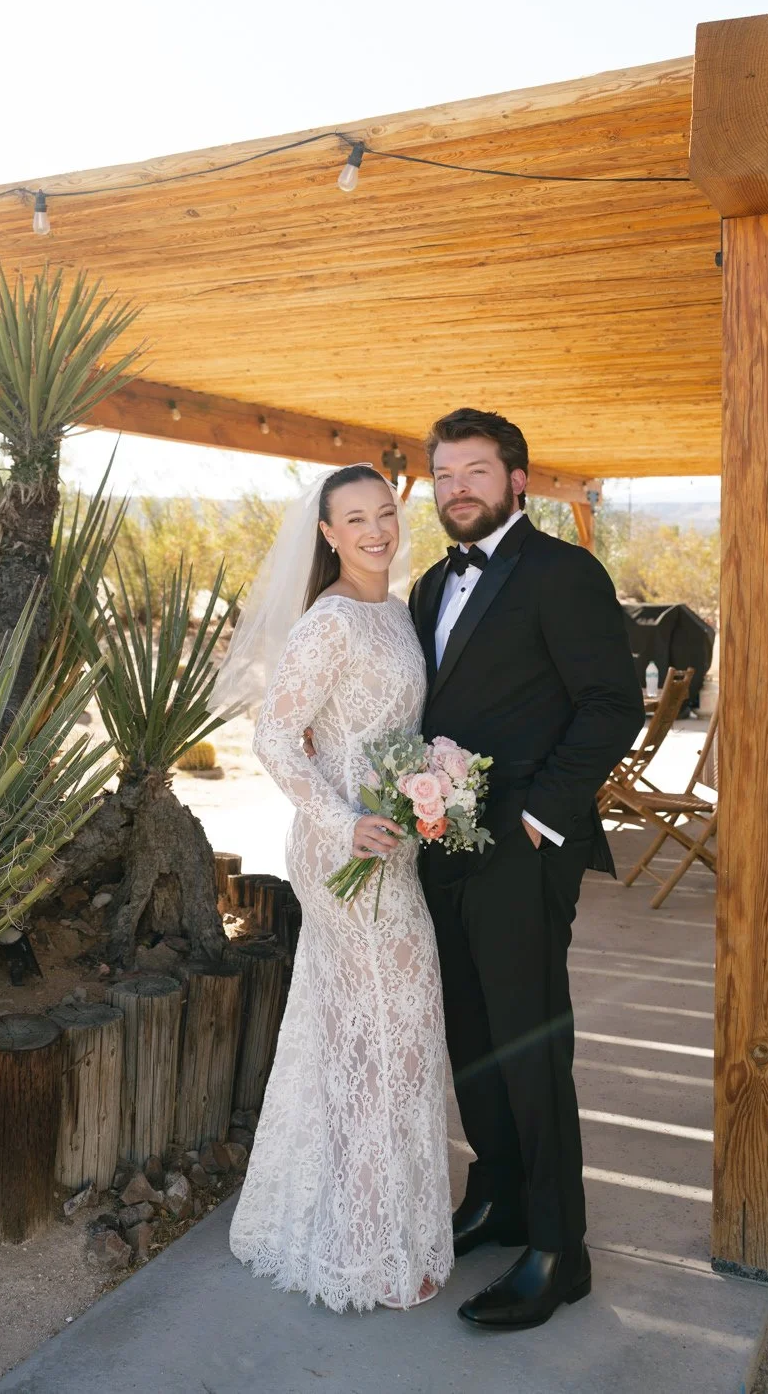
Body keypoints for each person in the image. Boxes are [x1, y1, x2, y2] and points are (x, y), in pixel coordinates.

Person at [409, 408, 644, 1330]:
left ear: (517, 479)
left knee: (532, 1043)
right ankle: (500, 1196)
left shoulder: (564, 573)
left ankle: (559, 1247)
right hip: (443, 846)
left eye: (475, 470)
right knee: (471, 1034)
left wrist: (544, 820)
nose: (457, 487)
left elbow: (609, 704)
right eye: (444, 473)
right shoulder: (430, 585)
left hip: (524, 854)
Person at [210, 464, 453, 1314]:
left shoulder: (396, 611)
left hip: (396, 851)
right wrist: (341, 818)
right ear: (328, 534)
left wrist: (436, 787)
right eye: (355, 519)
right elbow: (275, 737)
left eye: (384, 512)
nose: (376, 530)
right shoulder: (331, 621)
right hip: (345, 856)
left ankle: (382, 1226)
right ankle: (361, 1247)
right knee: (380, 1036)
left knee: (397, 1033)